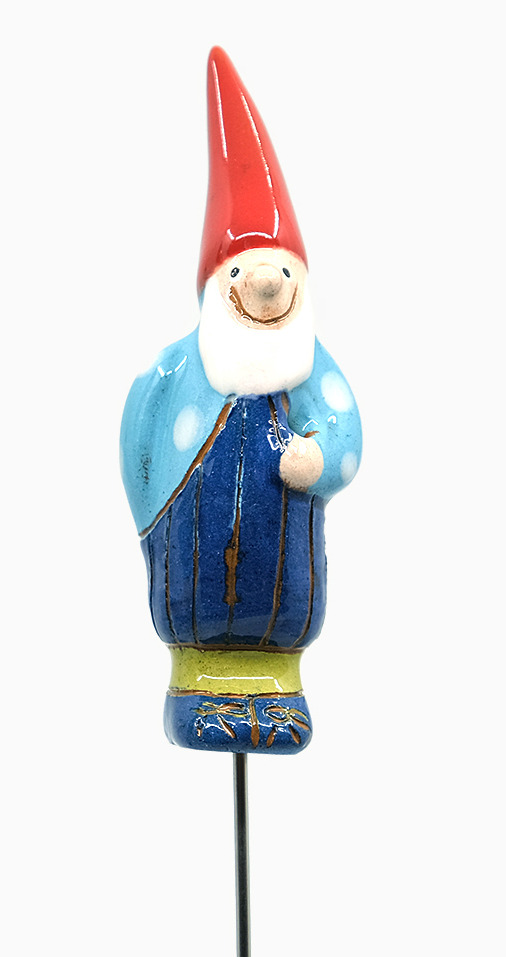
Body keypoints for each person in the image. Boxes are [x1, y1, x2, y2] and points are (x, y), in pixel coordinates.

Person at [120, 48, 362, 752]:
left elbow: (346, 436)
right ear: (215, 284)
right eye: (245, 270)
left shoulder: (309, 368)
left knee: (282, 597)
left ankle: (278, 694)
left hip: (287, 574)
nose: (266, 283)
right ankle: (197, 686)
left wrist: (320, 459)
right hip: (190, 565)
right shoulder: (178, 368)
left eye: (282, 269)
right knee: (198, 596)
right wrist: (150, 525)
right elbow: (138, 433)